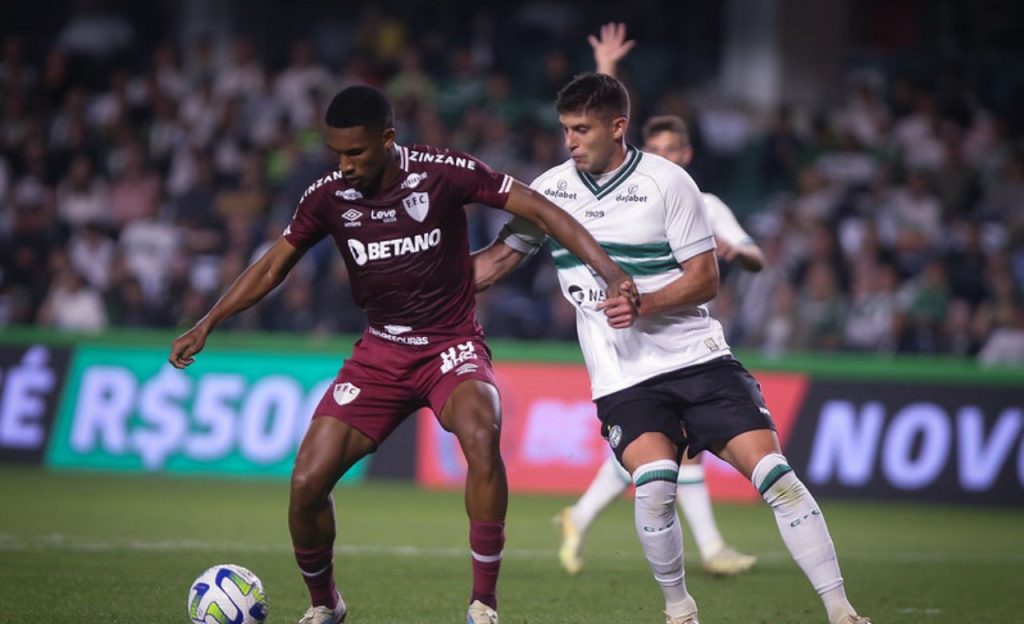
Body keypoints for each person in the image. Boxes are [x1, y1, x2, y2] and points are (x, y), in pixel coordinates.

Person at [169, 85, 637, 624]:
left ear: (387, 140)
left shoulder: (443, 171)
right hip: (380, 352)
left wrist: (611, 272)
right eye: (337, 153)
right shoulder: (327, 197)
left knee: (482, 436)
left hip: (451, 344)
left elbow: (543, 210)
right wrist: (208, 323)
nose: (344, 165)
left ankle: (483, 602)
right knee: (306, 484)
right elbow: (274, 265)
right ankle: (326, 605)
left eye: (356, 153)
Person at [473, 71, 870, 624]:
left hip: (698, 359)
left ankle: (841, 611)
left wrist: (644, 305)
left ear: (618, 127)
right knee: (655, 486)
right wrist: (413, 284)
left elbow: (706, 279)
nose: (570, 141)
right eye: (565, 129)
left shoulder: (668, 183)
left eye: (582, 129)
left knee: (778, 478)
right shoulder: (550, 191)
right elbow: (495, 262)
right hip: (623, 378)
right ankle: (679, 612)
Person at [552, 23, 766, 579]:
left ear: (688, 152)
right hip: (639, 351)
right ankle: (708, 549)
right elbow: (602, 116)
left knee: (665, 461)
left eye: (674, 147)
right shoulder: (638, 186)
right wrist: (606, 66)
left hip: (691, 340)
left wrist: (737, 252)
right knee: (666, 458)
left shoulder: (702, 199)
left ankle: (581, 515)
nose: (665, 154)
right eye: (659, 146)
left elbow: (751, 256)